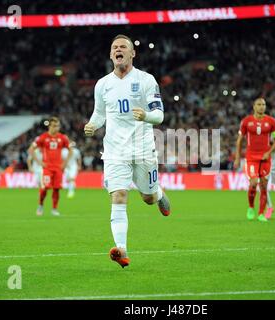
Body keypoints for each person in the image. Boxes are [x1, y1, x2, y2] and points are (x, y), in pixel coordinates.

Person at [84, 34, 171, 268]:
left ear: (133, 53)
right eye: (115, 47)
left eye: (123, 47)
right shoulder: (102, 84)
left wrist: (146, 115)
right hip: (114, 151)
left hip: (143, 149)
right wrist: (93, 124)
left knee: (147, 198)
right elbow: (100, 113)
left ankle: (159, 194)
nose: (118, 49)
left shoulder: (146, 80)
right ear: (111, 54)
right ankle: (121, 250)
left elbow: (160, 115)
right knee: (119, 195)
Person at [234, 98, 275, 222]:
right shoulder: (246, 121)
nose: (261, 107)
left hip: (265, 158)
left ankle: (261, 214)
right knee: (253, 183)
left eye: (264, 104)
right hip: (251, 158)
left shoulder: (271, 121)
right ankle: (250, 207)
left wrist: (268, 152)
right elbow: (239, 140)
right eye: (259, 104)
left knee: (264, 186)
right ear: (254, 106)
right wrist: (237, 158)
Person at [28, 117, 72, 216]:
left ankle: (54, 209)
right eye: (54, 126)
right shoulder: (43, 137)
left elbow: (71, 150)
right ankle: (40, 205)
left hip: (58, 168)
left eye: (58, 126)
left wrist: (65, 163)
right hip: (47, 168)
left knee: (56, 189)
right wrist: (40, 162)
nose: (56, 128)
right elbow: (31, 149)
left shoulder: (63, 138)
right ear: (50, 126)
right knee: (45, 188)